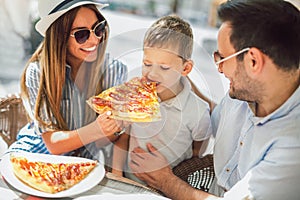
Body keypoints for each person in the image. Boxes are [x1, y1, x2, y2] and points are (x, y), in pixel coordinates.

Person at [129, 0, 300, 199]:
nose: (218, 68)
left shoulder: (292, 147)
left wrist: (166, 181)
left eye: (222, 58)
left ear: (253, 61)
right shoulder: (246, 91)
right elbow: (214, 117)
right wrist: (170, 74)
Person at [6, 0, 128, 161]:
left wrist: (117, 126)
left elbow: (104, 141)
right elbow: (52, 144)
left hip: (85, 159)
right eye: (81, 34)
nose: (94, 40)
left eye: (98, 28)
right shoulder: (38, 73)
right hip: (36, 152)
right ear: (60, 37)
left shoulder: (115, 70)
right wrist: (97, 129)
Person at [111, 15, 212, 184]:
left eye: (164, 67)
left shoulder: (198, 112)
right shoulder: (135, 98)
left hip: (169, 189)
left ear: (185, 68)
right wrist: (117, 176)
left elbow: (197, 153)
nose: (152, 74)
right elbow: (123, 139)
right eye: (147, 64)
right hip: (129, 183)